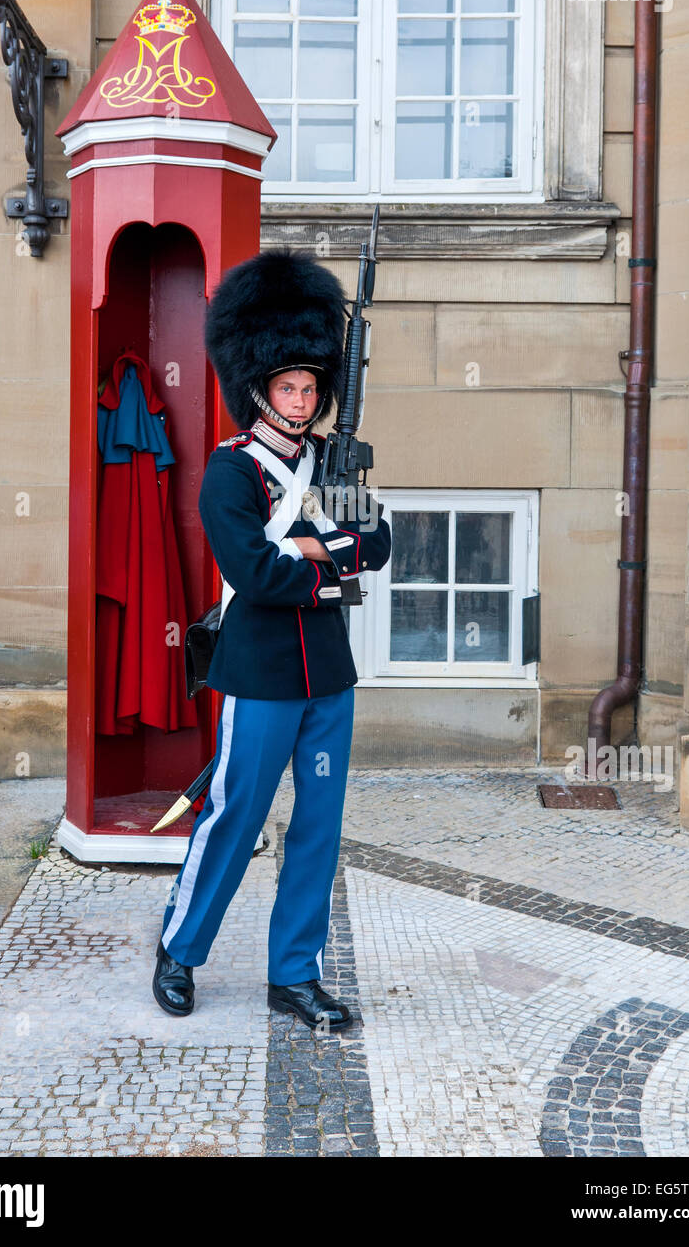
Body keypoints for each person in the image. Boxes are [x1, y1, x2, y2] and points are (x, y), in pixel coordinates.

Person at [152, 248, 391, 1032]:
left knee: (317, 830)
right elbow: (254, 575)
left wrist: (314, 554)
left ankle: (294, 973)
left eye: (310, 385)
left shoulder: (334, 460)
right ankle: (181, 949)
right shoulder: (230, 473)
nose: (300, 397)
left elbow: (378, 543)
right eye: (288, 385)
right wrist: (327, 555)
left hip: (327, 674)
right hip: (257, 674)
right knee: (233, 818)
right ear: (259, 387)